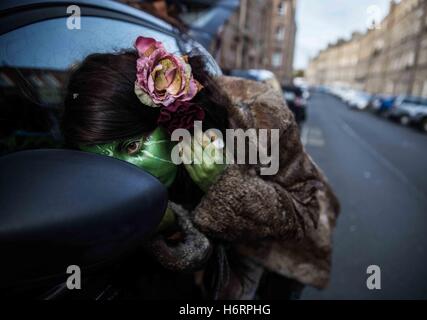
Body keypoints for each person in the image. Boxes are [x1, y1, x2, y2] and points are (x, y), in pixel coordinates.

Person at [61, 36, 340, 299]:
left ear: (171, 123)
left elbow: (306, 215)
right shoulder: (108, 188)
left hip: (277, 261)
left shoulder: (258, 112)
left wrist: (224, 184)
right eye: (104, 162)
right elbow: (196, 253)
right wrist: (170, 226)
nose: (124, 176)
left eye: (132, 147)